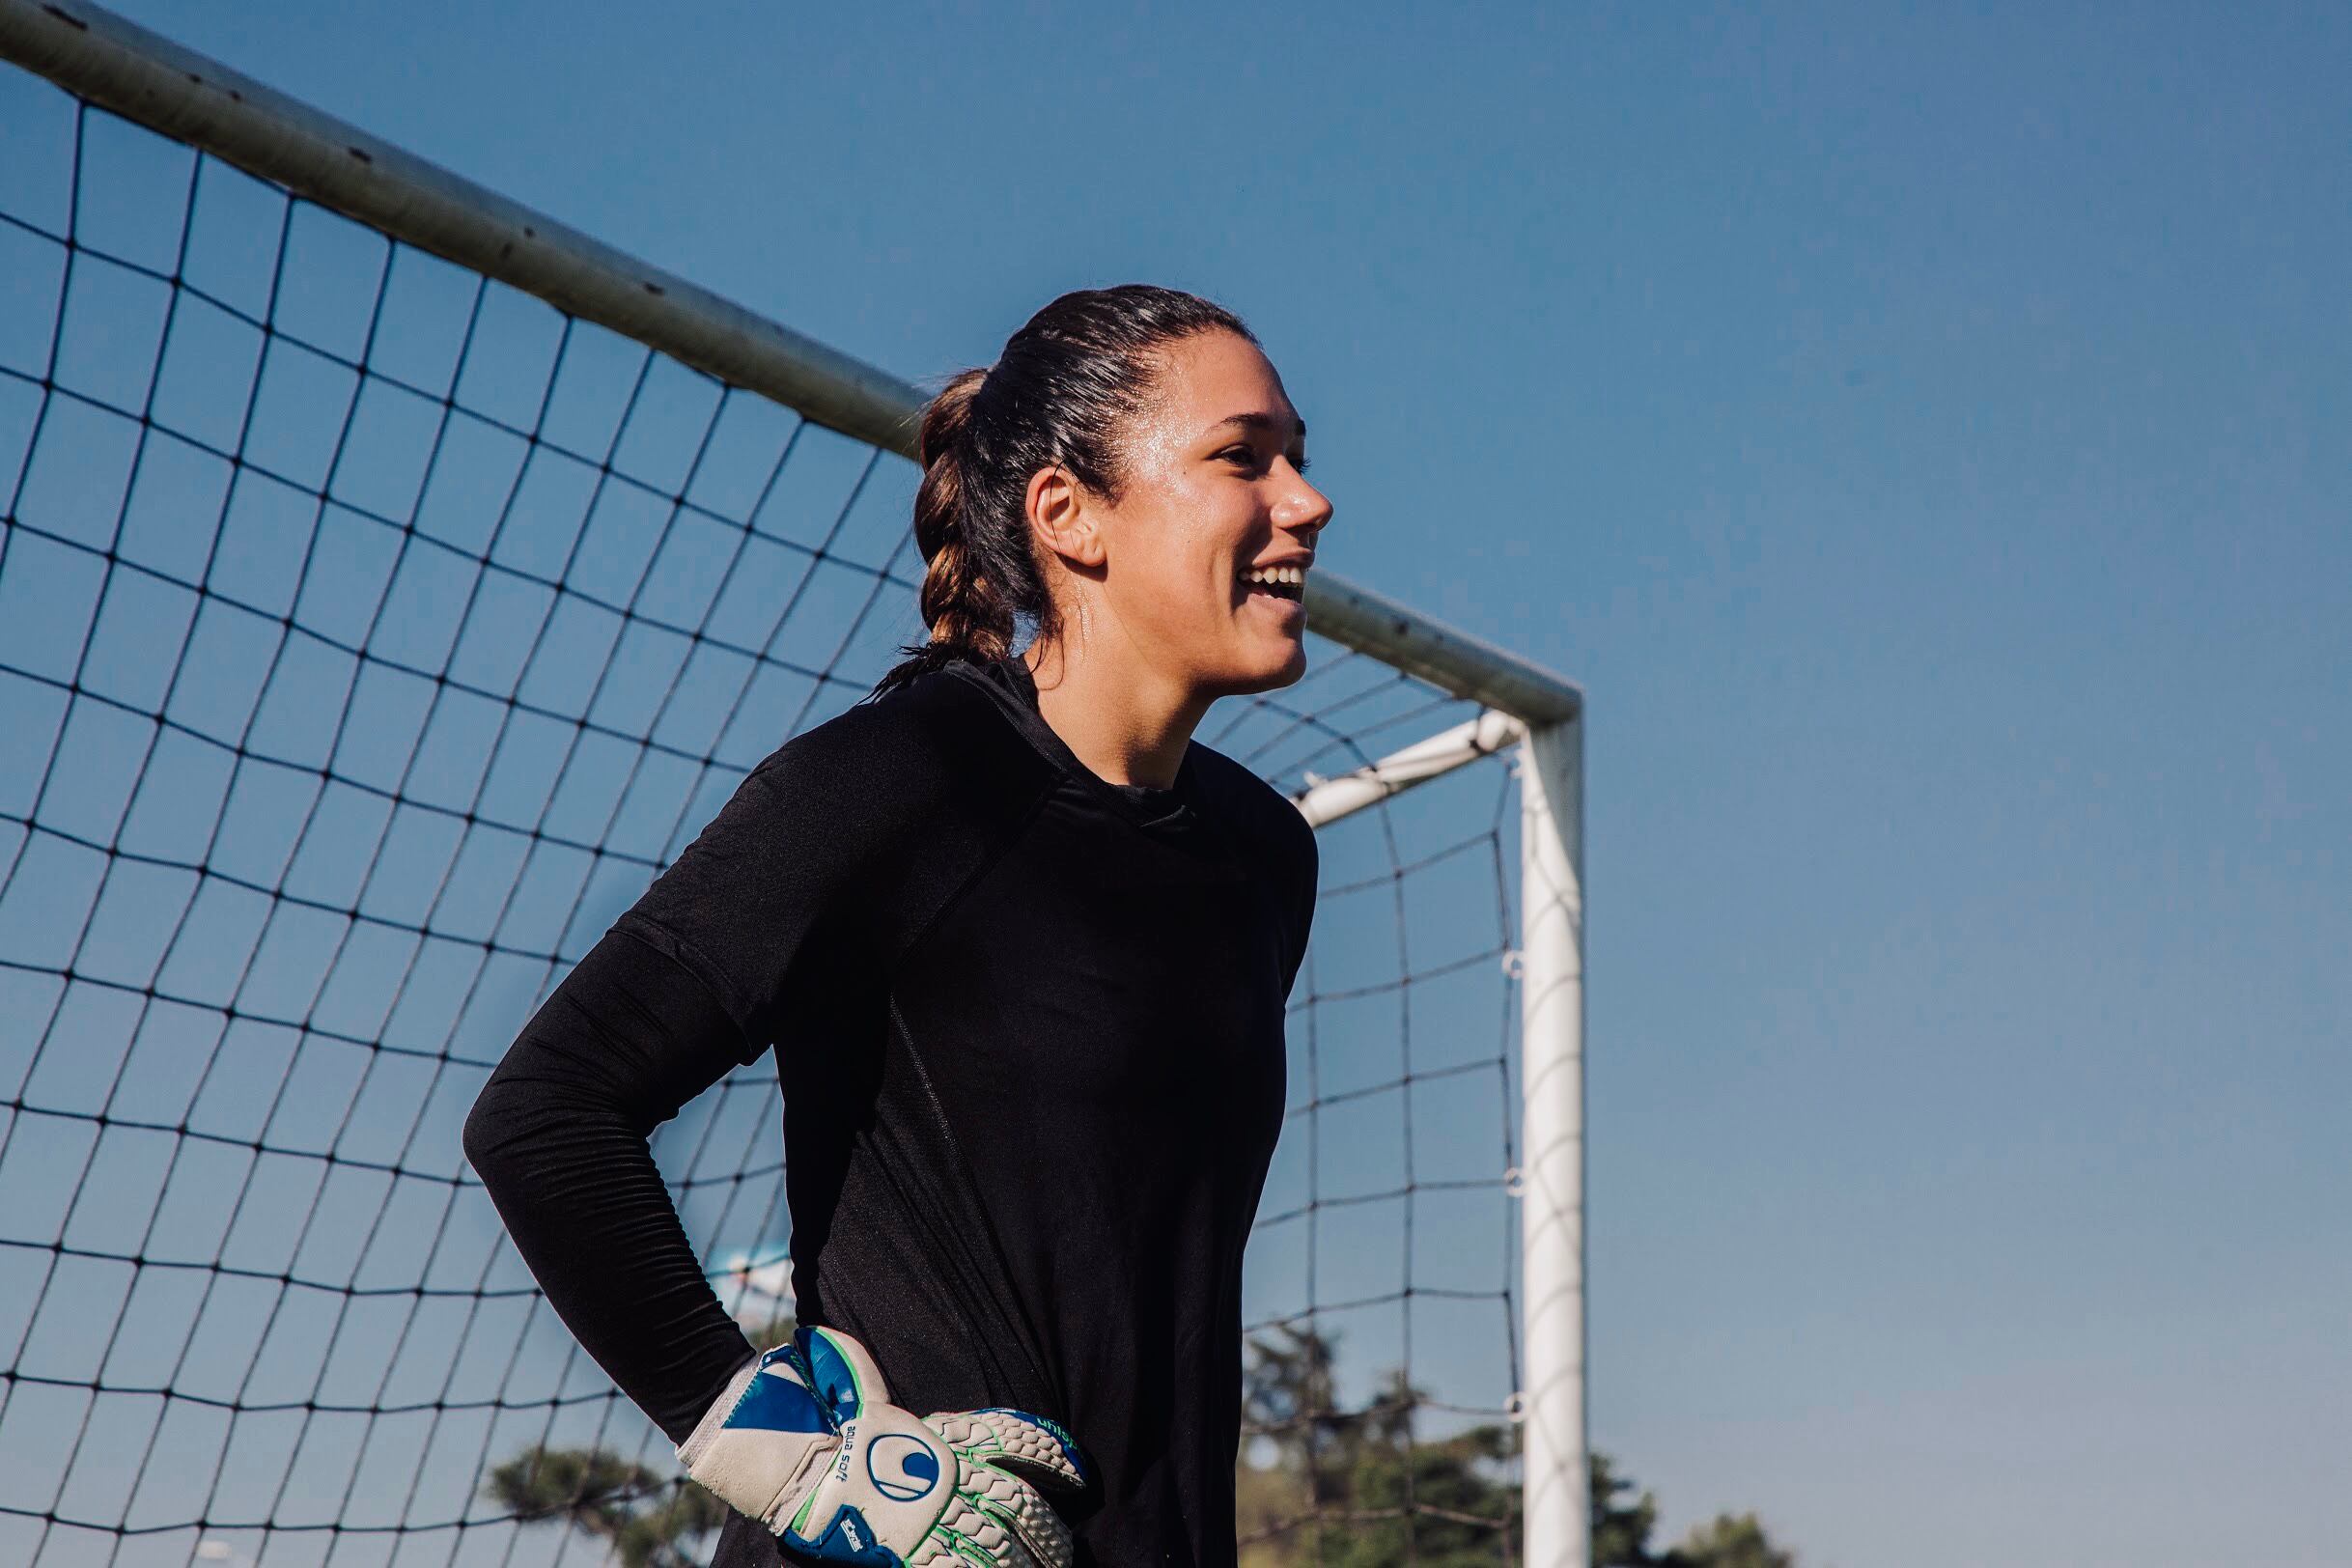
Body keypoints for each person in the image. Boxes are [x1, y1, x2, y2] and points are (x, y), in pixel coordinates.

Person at [462, 283, 1332, 1568]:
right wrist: (791, 1460)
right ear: (1069, 516)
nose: (1304, 503)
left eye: (1299, 461)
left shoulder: (1263, 859)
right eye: (1242, 458)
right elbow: (544, 1115)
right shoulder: (898, 783)